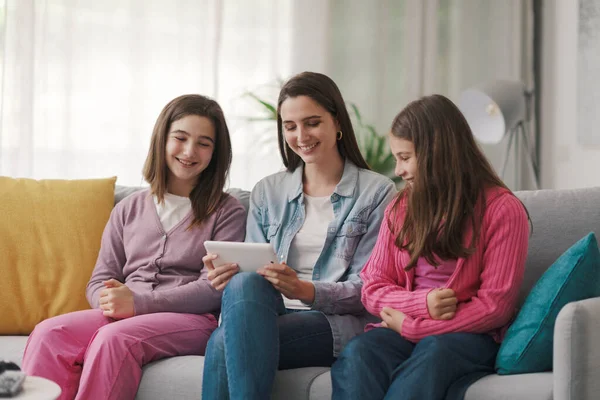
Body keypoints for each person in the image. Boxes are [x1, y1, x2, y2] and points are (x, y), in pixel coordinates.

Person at [21, 94, 247, 400]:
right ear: (161, 140)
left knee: (115, 339)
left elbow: (213, 289)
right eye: (180, 138)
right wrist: (109, 298)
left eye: (204, 143)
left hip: (192, 319)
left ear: (216, 152)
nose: (189, 151)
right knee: (49, 334)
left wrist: (138, 303)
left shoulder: (227, 211)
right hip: (126, 313)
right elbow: (100, 277)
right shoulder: (128, 208)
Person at [201, 71, 397, 399]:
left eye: (312, 122)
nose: (300, 135)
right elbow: (251, 277)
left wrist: (304, 289)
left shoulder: (377, 192)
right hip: (272, 311)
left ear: (337, 123)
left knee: (223, 342)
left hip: (334, 322)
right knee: (244, 283)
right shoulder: (269, 191)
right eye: (290, 126)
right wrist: (227, 273)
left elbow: (369, 290)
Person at [331, 94, 530, 400]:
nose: (397, 170)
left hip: (469, 336)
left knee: (434, 352)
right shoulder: (401, 208)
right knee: (360, 353)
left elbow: (494, 308)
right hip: (404, 327)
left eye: (405, 157)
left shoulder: (502, 209)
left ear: (438, 153)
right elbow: (372, 288)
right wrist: (423, 305)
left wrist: (413, 328)